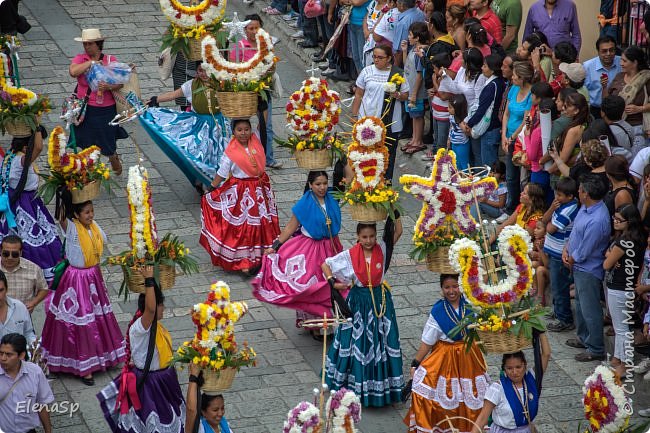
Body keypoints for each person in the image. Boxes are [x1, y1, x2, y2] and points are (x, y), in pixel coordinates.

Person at [41, 196, 125, 385]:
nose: (91, 215)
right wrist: (63, 191)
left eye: (91, 211)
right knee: (80, 320)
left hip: (93, 277)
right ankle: (83, 367)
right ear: (77, 215)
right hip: (76, 280)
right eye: (86, 212)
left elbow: (103, 240)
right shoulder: (71, 229)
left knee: (97, 317)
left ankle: (102, 355)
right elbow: (61, 216)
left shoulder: (94, 227)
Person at [251, 171, 344, 339]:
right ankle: (316, 324)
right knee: (312, 286)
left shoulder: (332, 197)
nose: (322, 187)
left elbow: (349, 180)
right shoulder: (304, 204)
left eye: (324, 183)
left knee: (331, 284)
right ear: (310, 185)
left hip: (331, 247)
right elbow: (290, 228)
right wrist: (275, 246)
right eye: (317, 184)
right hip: (311, 250)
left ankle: (330, 321)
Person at [321, 221, 404, 407]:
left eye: (372, 236)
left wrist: (393, 209)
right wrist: (333, 282)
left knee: (382, 340)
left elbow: (398, 230)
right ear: (358, 237)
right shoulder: (350, 255)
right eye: (364, 237)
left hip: (380, 301)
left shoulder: (382, 248)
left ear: (376, 235)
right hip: (358, 302)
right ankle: (354, 381)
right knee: (355, 342)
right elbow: (325, 265)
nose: (368, 240)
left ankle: (383, 384)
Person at [97, 266, 185, 433]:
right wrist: (149, 279)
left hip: (164, 381)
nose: (163, 308)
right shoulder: (141, 327)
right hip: (151, 385)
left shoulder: (156, 326)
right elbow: (150, 310)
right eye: (161, 305)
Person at [405, 274, 489, 432]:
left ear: (461, 286)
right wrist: (416, 363)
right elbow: (427, 341)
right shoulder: (438, 311)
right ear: (441, 289)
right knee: (440, 394)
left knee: (468, 395)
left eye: (455, 286)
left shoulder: (471, 305)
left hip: (469, 357)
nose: (451, 291)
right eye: (447, 287)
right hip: (445, 358)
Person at [200, 118, 281, 274]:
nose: (243, 133)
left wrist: (262, 106)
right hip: (241, 194)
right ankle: (245, 262)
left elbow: (262, 122)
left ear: (251, 130)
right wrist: (211, 188)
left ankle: (262, 257)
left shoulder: (256, 141)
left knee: (262, 224)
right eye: (239, 130)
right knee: (244, 227)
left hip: (259, 190)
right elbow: (221, 173)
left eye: (246, 129)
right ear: (234, 132)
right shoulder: (231, 152)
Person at [144, 63, 230, 194]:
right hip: (199, 125)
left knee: (218, 154)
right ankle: (201, 180)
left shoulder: (220, 83)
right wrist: (155, 99)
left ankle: (215, 183)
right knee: (200, 153)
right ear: (196, 71)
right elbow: (174, 95)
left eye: (207, 70)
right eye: (201, 70)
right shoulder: (191, 84)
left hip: (218, 125)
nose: (204, 74)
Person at [0, 130, 63, 283]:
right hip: (25, 203)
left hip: (18, 201)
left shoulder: (9, 155)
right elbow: (39, 147)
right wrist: (36, 126)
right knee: (31, 236)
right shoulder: (22, 160)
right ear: (27, 148)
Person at [563, 173, 611, 362]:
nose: (578, 191)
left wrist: (571, 258)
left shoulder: (598, 219)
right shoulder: (585, 208)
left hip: (588, 268)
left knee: (590, 309)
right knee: (581, 306)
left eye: (581, 189)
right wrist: (566, 248)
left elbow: (586, 250)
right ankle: (584, 338)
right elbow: (575, 232)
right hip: (577, 264)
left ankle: (596, 347)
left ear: (587, 194)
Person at [228, 15, 282, 170]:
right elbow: (233, 68)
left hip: (263, 89)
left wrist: (266, 72)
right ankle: (235, 156)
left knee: (266, 125)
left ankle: (267, 158)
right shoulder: (240, 46)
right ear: (244, 30)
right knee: (238, 122)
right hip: (245, 91)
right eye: (250, 28)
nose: (253, 31)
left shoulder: (266, 44)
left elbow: (272, 66)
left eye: (256, 28)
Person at [69, 29, 125, 175]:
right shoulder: (81, 59)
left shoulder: (110, 61)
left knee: (107, 142)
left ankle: (113, 156)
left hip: (105, 109)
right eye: (85, 44)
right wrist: (91, 63)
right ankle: (90, 170)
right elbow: (73, 72)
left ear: (98, 44)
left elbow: (120, 83)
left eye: (90, 44)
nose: (87, 47)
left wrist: (109, 86)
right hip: (85, 108)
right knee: (86, 142)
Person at [350, 45, 410, 180]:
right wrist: (354, 115)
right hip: (367, 121)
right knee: (366, 155)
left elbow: (406, 95)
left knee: (386, 156)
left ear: (389, 58)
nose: (376, 60)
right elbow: (359, 94)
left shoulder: (397, 74)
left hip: (389, 122)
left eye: (380, 57)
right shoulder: (367, 71)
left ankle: (385, 185)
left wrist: (398, 95)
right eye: (374, 57)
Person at [472, 336, 552, 433]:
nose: (515, 372)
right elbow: (482, 419)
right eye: (509, 368)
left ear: (525, 365)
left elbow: (546, 354)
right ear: (504, 369)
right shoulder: (497, 389)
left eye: (518, 367)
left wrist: (541, 332)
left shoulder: (531, 380)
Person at [603, 204, 647, 378]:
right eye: (614, 218)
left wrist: (610, 256)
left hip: (619, 287)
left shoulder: (623, 242)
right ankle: (617, 359)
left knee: (622, 328)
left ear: (629, 222)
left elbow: (606, 264)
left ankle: (625, 364)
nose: (615, 222)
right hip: (627, 287)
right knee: (622, 326)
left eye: (619, 220)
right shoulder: (639, 239)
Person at [542, 177, 579, 332]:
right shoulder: (559, 205)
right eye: (556, 194)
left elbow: (550, 228)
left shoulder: (570, 209)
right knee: (556, 285)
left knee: (560, 287)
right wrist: (551, 208)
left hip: (559, 254)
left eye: (560, 195)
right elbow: (544, 220)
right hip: (553, 251)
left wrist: (548, 223)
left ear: (570, 196)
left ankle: (564, 319)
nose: (557, 198)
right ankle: (558, 311)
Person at [0, 333, 54, 433]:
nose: (3, 358)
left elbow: (42, 404)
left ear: (21, 355)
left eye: (8, 354)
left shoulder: (35, 372)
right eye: (1, 353)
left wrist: (48, 430)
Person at [603, 46, 650, 157]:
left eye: (624, 61)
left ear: (635, 63)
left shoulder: (646, 79)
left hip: (637, 129)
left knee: (634, 163)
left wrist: (640, 108)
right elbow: (606, 101)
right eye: (621, 60)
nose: (621, 63)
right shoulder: (619, 77)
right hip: (615, 127)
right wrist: (604, 87)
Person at [463, 53, 507, 166]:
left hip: (490, 128)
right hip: (494, 127)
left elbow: (482, 108)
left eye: (485, 66)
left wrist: (470, 123)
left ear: (492, 70)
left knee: (488, 164)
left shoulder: (492, 86)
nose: (482, 68)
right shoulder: (499, 83)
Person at [501, 61, 533, 214]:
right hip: (508, 136)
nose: (512, 77)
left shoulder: (530, 95)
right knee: (510, 176)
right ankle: (510, 207)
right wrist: (504, 135)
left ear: (522, 78)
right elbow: (506, 113)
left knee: (522, 178)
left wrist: (512, 137)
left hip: (519, 140)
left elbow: (525, 120)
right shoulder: (513, 89)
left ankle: (519, 209)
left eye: (514, 76)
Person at [0, 235, 48, 313]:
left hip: (22, 317)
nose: (10, 257)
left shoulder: (34, 269)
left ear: (21, 253)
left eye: (15, 254)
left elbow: (44, 289)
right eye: (6, 254)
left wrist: (34, 303)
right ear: (0, 251)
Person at [402, 22, 429, 154]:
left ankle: (418, 141)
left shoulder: (420, 52)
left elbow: (419, 75)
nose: (408, 37)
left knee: (418, 116)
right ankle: (414, 138)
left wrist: (414, 93)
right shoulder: (413, 49)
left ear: (417, 37)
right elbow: (406, 65)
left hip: (416, 91)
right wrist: (404, 51)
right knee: (413, 115)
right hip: (410, 88)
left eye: (410, 35)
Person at [185, 363, 234, 433]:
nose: (220, 413)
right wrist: (193, 377)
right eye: (215, 410)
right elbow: (191, 409)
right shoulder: (200, 428)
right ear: (203, 412)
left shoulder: (223, 424)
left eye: (222, 408)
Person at [583, 36, 621, 119]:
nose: (608, 54)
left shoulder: (622, 62)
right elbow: (584, 90)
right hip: (596, 110)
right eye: (604, 51)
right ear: (598, 52)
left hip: (619, 110)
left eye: (611, 50)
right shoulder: (587, 66)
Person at [0, 271, 35, 345]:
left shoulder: (19, 307)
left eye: (0, 290)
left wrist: (33, 344)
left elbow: (28, 333)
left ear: (7, 289)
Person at [601, 95, 635, 162]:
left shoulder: (606, 133)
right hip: (627, 162)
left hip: (614, 165)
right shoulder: (629, 127)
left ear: (603, 113)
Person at [392, 0, 425, 68]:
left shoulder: (403, 23)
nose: (396, 3)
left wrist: (395, 71)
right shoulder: (420, 13)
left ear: (402, 5)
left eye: (397, 1)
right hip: (420, 55)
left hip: (407, 59)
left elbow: (399, 51)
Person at [448, 94, 470, 170]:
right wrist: (449, 138)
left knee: (464, 164)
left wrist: (460, 122)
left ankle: (466, 179)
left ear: (457, 109)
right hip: (454, 143)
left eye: (450, 107)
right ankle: (458, 178)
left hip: (462, 144)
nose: (448, 109)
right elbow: (451, 127)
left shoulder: (462, 120)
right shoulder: (451, 116)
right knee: (456, 162)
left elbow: (466, 130)